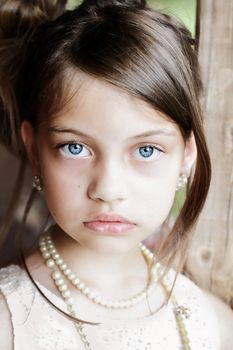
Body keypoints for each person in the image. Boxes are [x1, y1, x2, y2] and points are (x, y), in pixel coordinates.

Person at [0, 0, 232, 349]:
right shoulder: (9, 322)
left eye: (145, 150)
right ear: (34, 150)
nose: (108, 189)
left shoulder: (212, 325)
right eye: (74, 147)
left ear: (186, 156)